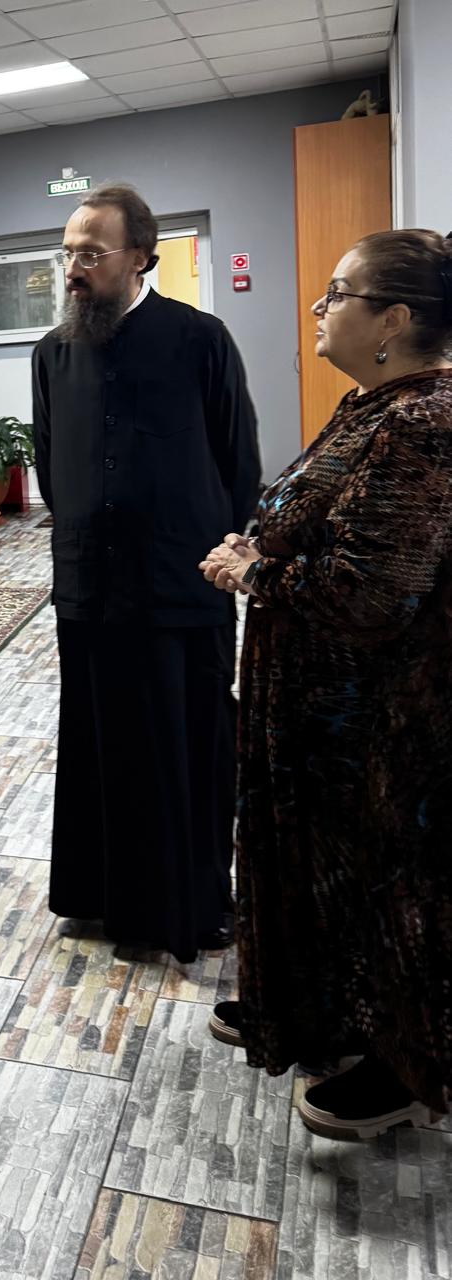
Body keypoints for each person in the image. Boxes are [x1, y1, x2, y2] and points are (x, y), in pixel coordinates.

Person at [200, 228, 452, 1138]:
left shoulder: (424, 424)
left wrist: (253, 572)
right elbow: (320, 521)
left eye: (338, 293)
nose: (319, 305)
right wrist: (259, 544)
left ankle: (403, 1070)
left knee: (386, 890)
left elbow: (372, 594)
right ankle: (313, 1012)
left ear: (392, 320)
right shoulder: (369, 406)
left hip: (377, 726)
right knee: (317, 873)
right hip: (317, 713)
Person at [32, 183, 261, 963]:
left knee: (184, 748)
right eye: (68, 252)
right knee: (100, 746)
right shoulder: (53, 353)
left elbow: (238, 462)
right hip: (89, 591)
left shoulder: (200, 339)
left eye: (91, 253)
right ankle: (100, 896)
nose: (74, 267)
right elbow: (52, 469)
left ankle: (192, 904)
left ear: (139, 258)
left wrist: (222, 552)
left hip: (178, 590)